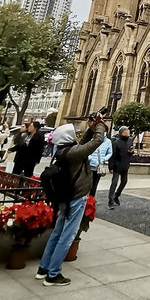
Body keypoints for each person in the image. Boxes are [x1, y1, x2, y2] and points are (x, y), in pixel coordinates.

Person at [36, 118, 105, 286]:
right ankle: (53, 275)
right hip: (76, 198)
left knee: (57, 233)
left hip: (66, 198)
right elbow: (97, 141)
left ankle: (43, 269)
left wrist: (91, 127)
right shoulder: (73, 153)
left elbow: (83, 143)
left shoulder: (63, 150)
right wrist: (100, 125)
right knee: (67, 237)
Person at [107, 126, 132, 209]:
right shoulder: (116, 143)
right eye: (126, 132)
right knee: (114, 183)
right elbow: (112, 156)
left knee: (124, 182)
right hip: (117, 166)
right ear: (121, 133)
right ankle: (110, 202)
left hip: (125, 165)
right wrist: (110, 167)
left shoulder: (130, 141)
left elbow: (130, 151)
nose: (127, 134)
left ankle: (116, 195)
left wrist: (131, 152)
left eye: (128, 132)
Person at [89, 119, 112, 196]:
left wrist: (104, 159)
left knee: (95, 184)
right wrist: (90, 158)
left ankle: (91, 200)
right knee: (88, 184)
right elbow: (87, 150)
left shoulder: (108, 142)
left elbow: (110, 153)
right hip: (90, 165)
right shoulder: (92, 139)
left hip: (99, 165)